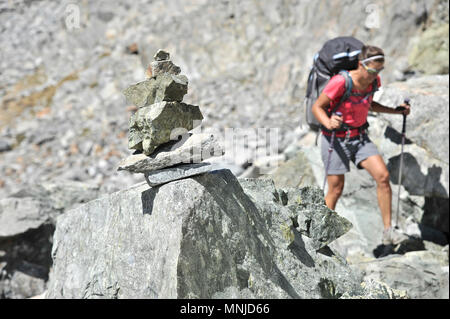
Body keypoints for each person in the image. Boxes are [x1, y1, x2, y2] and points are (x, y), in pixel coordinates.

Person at [311, 45, 410, 245]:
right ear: (361, 64)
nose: (376, 75)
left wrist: (396, 111)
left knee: (383, 176)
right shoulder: (341, 81)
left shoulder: (373, 81)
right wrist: (328, 122)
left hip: (359, 137)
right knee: (336, 188)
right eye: (373, 70)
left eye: (380, 71)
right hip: (335, 138)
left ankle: (388, 232)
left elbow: (368, 104)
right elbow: (317, 107)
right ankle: (320, 237)